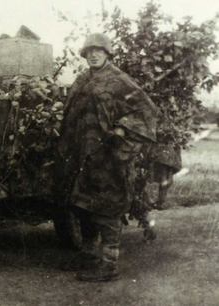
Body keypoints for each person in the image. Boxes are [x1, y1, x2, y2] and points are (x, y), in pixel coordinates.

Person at [56, 33, 158, 282]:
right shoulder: (82, 79)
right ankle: (90, 255)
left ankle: (109, 264)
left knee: (108, 208)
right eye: (89, 50)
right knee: (82, 205)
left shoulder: (119, 80)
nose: (94, 54)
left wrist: (121, 129)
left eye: (99, 50)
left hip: (110, 155)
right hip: (82, 155)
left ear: (108, 53)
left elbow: (146, 110)